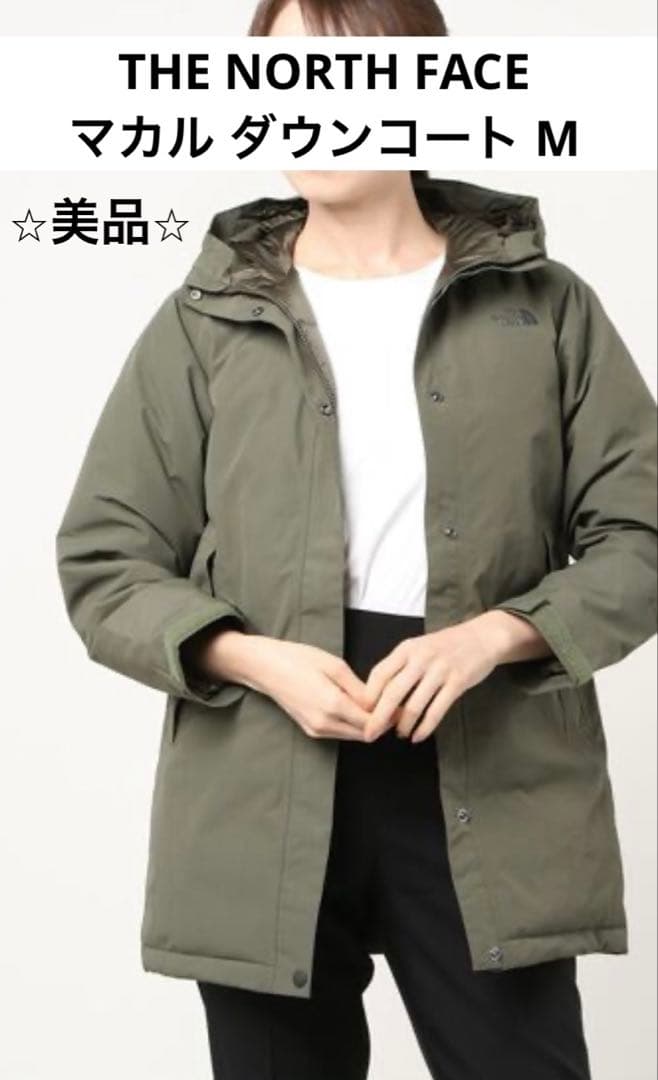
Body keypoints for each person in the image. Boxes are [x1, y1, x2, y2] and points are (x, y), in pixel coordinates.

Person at [55, 0, 658, 1077]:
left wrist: (496, 636)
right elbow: (105, 558)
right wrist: (249, 656)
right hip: (261, 768)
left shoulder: (546, 306)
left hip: (490, 764)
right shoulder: (205, 319)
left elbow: (642, 537)